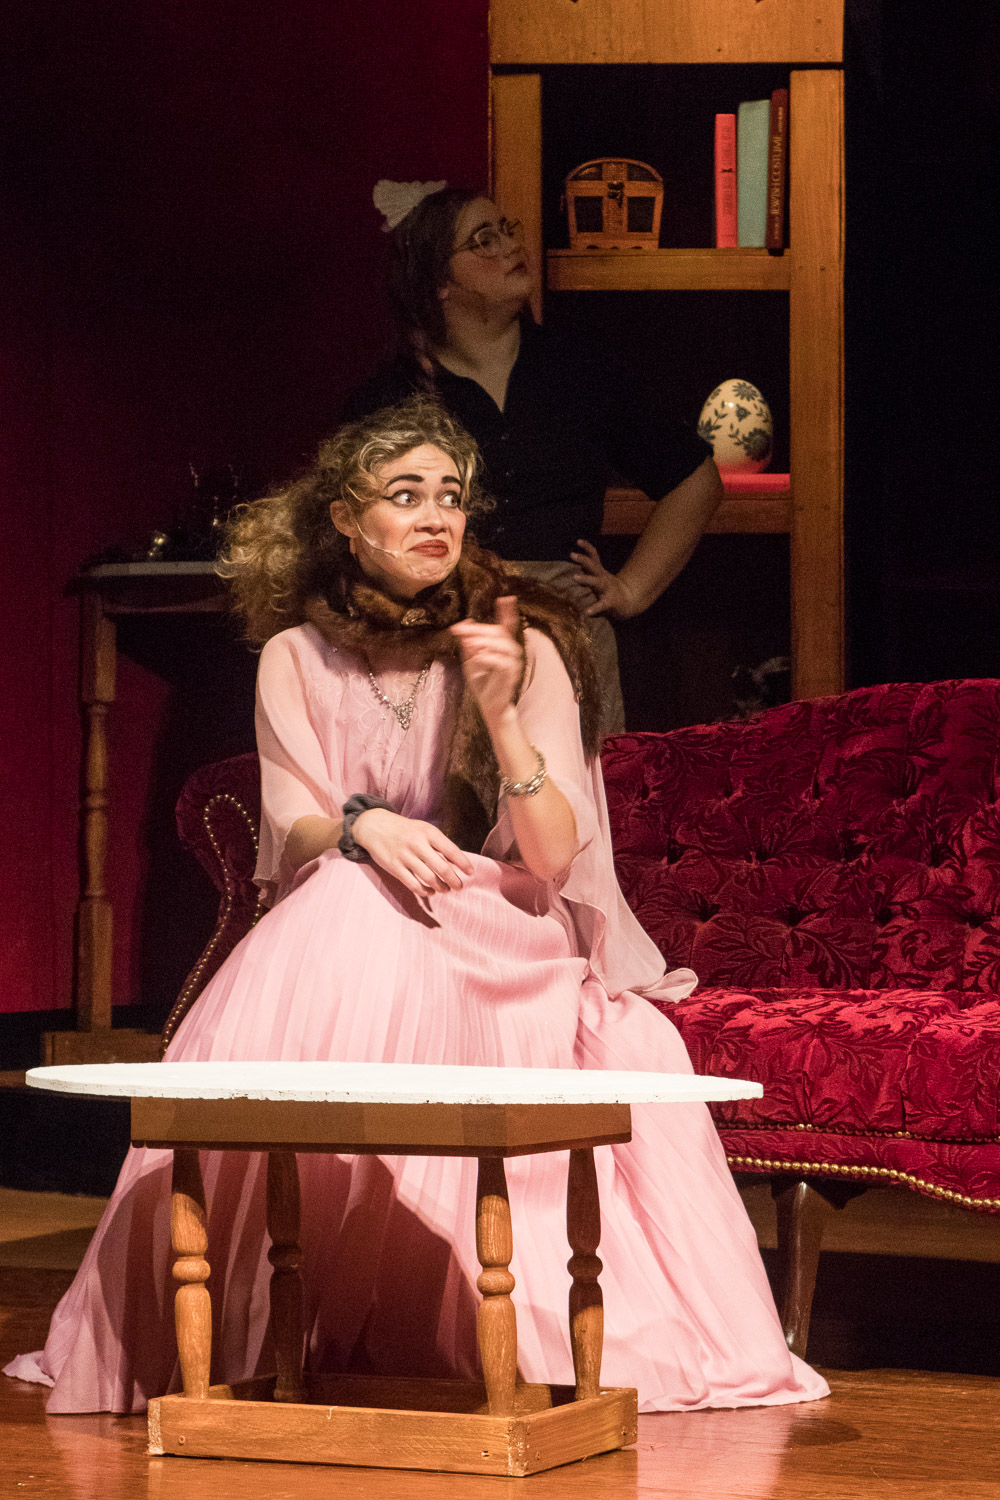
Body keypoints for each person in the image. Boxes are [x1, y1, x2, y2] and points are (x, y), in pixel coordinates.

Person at [5, 398, 825, 1414]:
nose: (436, 515)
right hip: (355, 925)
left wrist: (502, 716)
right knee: (347, 896)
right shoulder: (296, 656)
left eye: (450, 495)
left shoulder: (521, 642)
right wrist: (364, 827)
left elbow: (552, 856)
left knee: (353, 911)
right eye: (405, 495)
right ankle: (263, 1301)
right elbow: (293, 832)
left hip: (504, 931)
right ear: (347, 520)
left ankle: (422, 1296)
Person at [343, 181, 726, 733]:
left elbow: (694, 479)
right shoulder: (392, 398)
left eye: (507, 230)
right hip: (444, 634)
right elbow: (353, 532)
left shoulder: (577, 368)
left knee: (573, 785)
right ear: (438, 282)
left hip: (567, 629)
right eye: (484, 240)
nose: (510, 246)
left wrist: (631, 589)